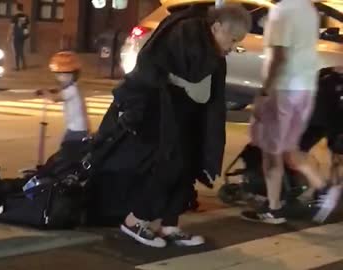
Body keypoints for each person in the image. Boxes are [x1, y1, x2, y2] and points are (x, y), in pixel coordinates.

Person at [95, 4, 251, 248]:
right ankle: (135, 220)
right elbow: (161, 68)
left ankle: (170, 225)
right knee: (168, 166)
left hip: (185, 114)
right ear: (217, 27)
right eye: (232, 40)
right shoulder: (185, 32)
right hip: (161, 112)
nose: (232, 48)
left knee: (187, 166)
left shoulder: (208, 45)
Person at [241, 0, 340, 224]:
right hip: (304, 88)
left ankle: (276, 207)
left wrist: (264, 92)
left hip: (283, 88)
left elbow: (279, 56)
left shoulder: (281, 12)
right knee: (287, 147)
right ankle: (321, 188)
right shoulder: (309, 10)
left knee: (270, 149)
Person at [298, 67, 343, 222]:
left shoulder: (328, 75)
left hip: (320, 120)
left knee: (295, 153)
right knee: (335, 157)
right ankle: (327, 191)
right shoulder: (327, 73)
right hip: (328, 121)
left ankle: (324, 190)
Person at [37, 51, 89, 145]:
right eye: (59, 75)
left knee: (66, 152)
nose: (61, 78)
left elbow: (55, 98)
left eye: (65, 75)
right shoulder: (73, 88)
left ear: (74, 75)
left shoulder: (72, 90)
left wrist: (45, 93)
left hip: (76, 131)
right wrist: (53, 90)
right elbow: (60, 91)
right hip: (76, 129)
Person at [7, 4, 30, 71]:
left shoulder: (14, 17)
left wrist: (9, 36)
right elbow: (27, 26)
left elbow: (12, 27)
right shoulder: (26, 16)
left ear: (16, 9)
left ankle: (17, 66)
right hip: (23, 35)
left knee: (16, 51)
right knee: (21, 49)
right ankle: (24, 64)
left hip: (16, 35)